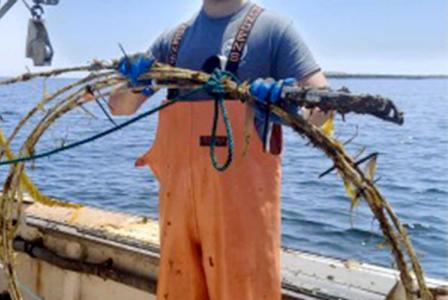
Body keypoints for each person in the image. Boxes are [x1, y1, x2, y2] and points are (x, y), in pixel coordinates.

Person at [109, 0, 329, 299]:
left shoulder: (273, 30)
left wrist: (291, 106)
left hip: (242, 218)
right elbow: (120, 107)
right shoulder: (172, 42)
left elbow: (322, 107)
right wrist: (134, 83)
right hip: (178, 214)